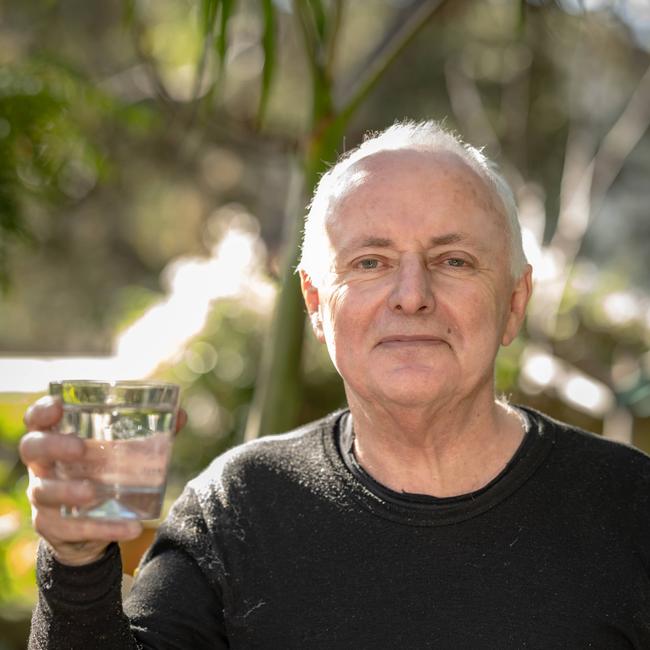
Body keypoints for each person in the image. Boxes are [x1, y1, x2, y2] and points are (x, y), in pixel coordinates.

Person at [21, 121, 650, 649]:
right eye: (370, 263)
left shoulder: (629, 508)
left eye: (453, 261)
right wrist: (77, 562)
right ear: (316, 305)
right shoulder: (238, 510)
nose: (412, 297)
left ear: (515, 302)